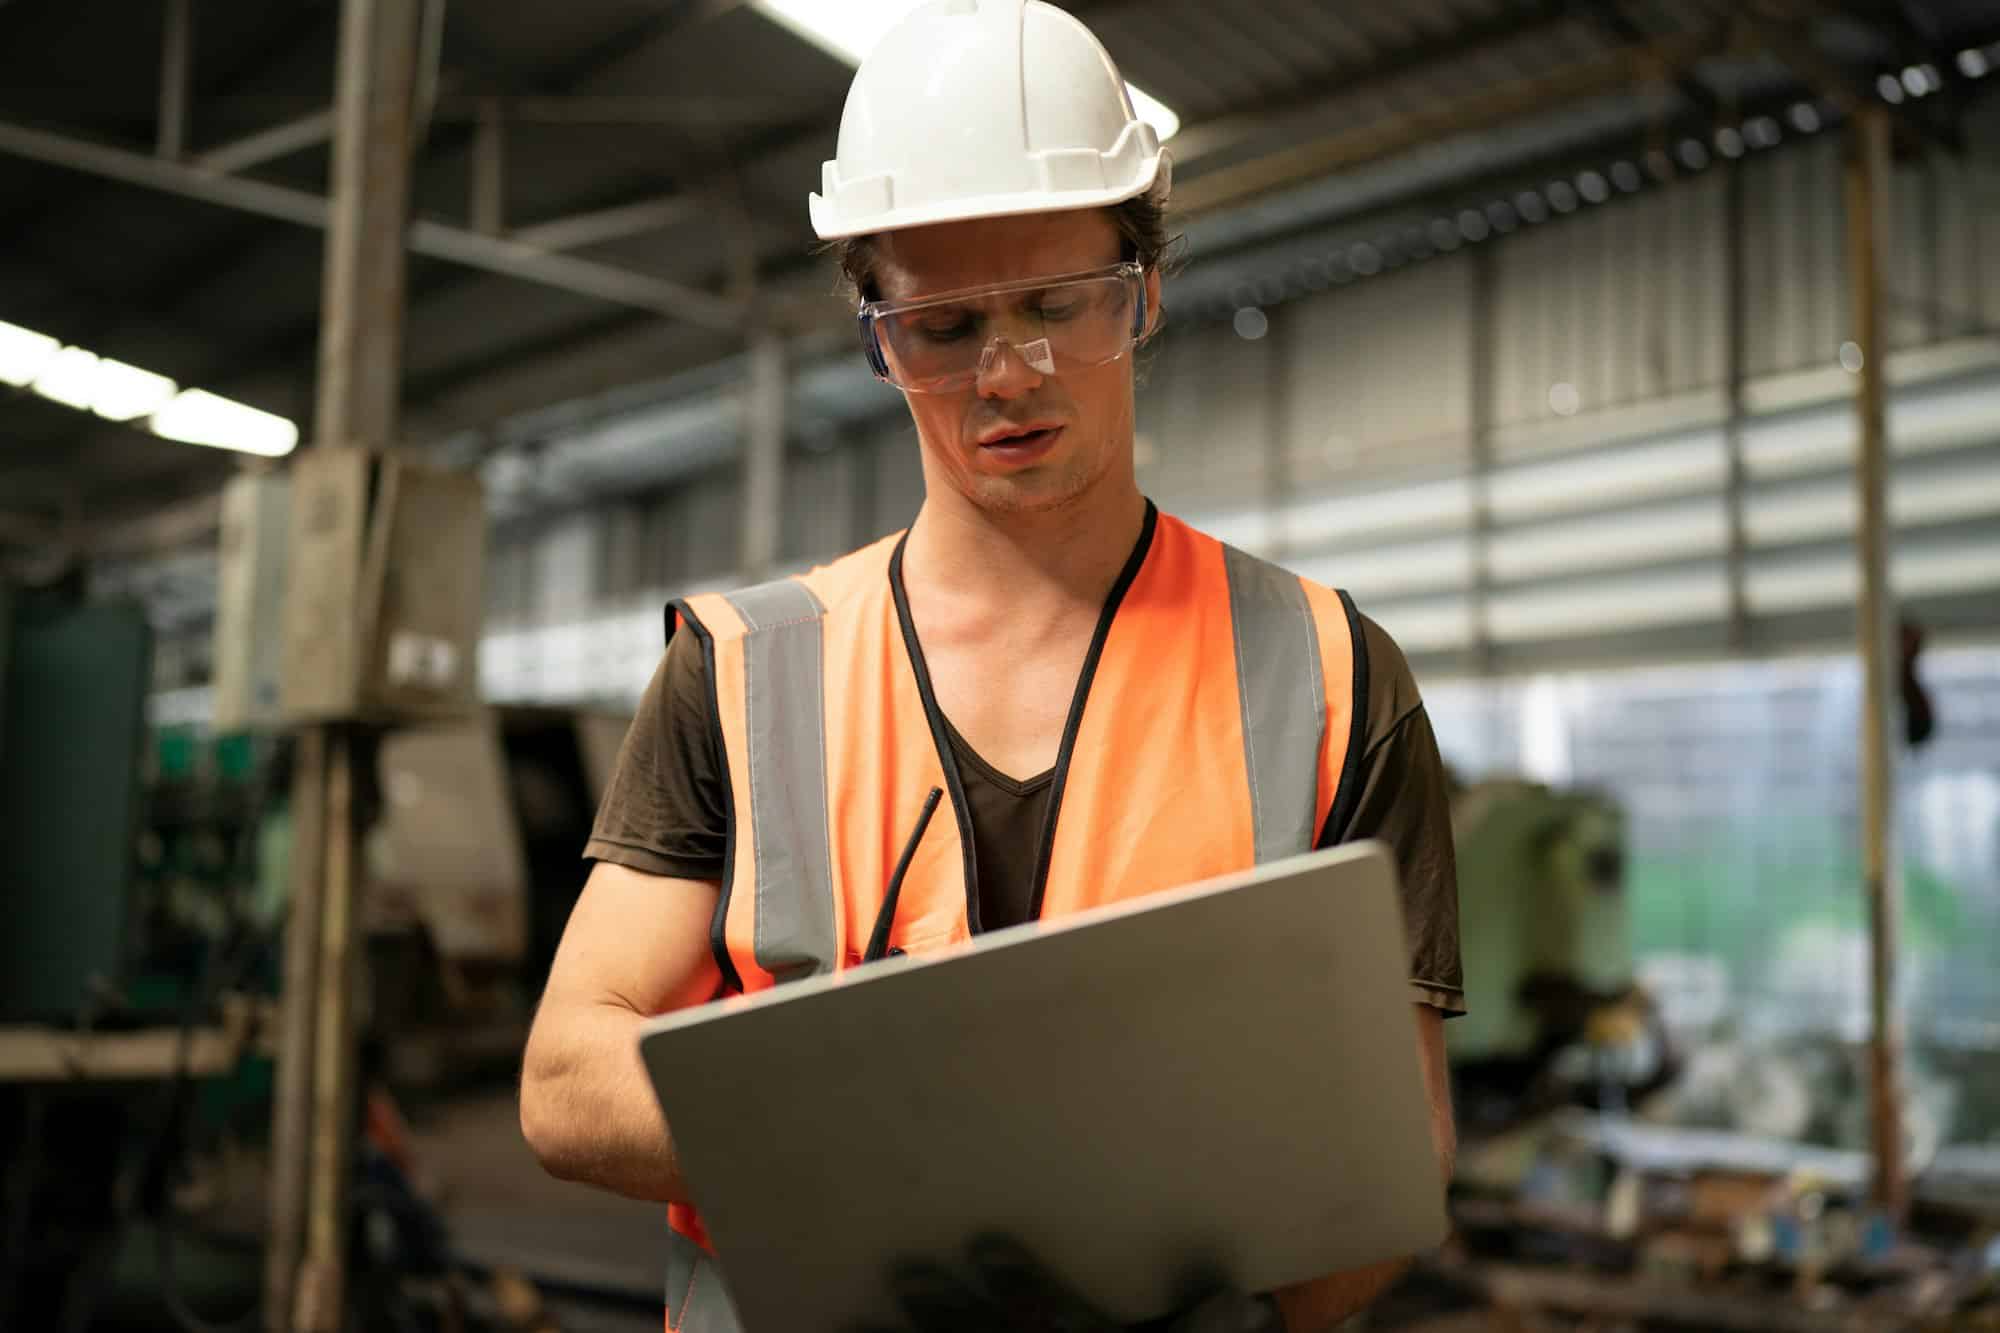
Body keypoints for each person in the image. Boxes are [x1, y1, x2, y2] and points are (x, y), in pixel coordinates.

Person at [519, 2, 1464, 1329]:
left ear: (1147, 290)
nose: (1011, 376)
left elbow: (1396, 1148)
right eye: (945, 328)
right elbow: (568, 1078)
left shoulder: (1331, 678)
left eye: (1058, 307)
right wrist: (911, 1145)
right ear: (873, 326)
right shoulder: (741, 676)